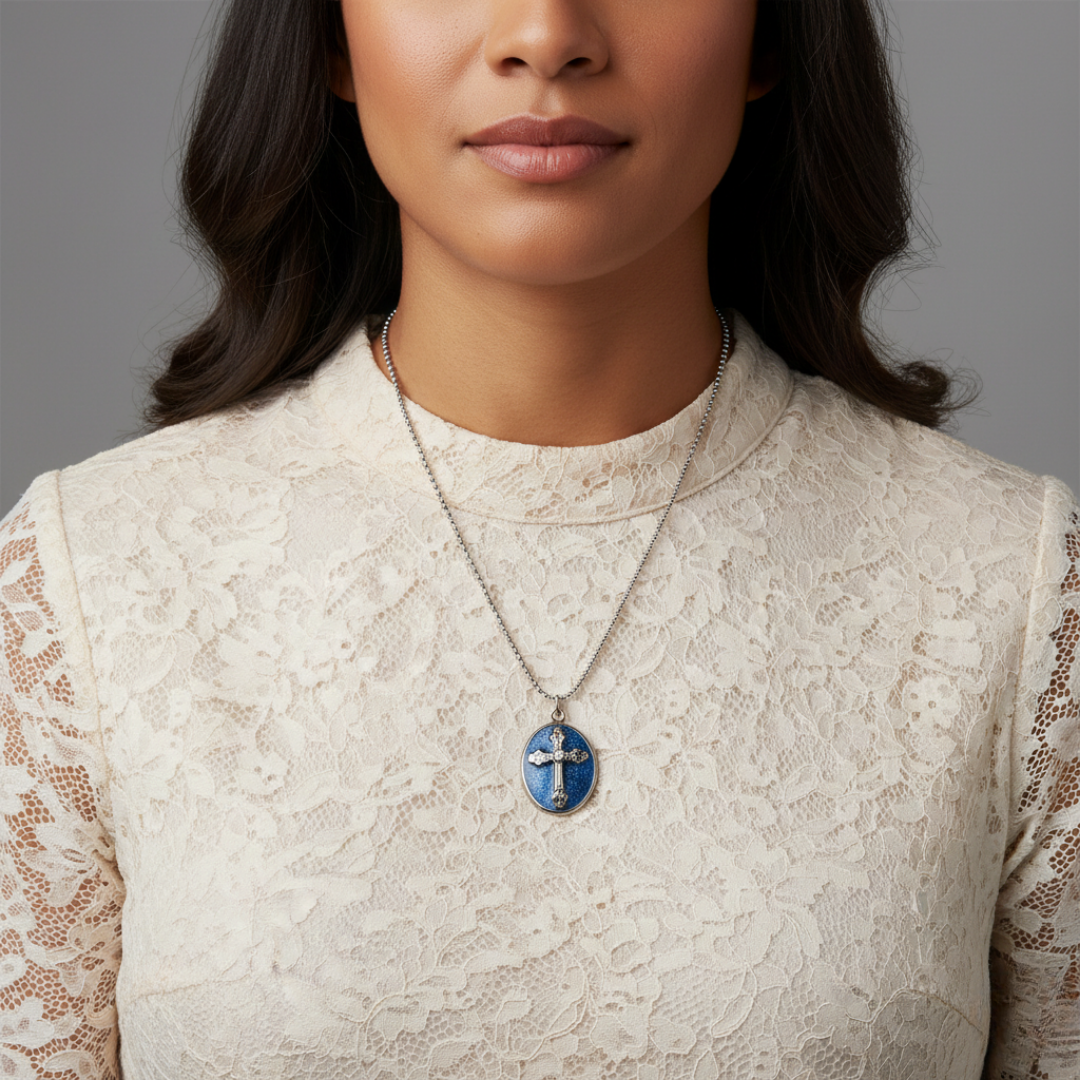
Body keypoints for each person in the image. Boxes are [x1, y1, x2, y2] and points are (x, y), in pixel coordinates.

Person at [1, 0, 1076, 1076]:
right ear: (330, 38)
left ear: (773, 37)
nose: (546, 35)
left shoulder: (1012, 585)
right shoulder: (88, 581)